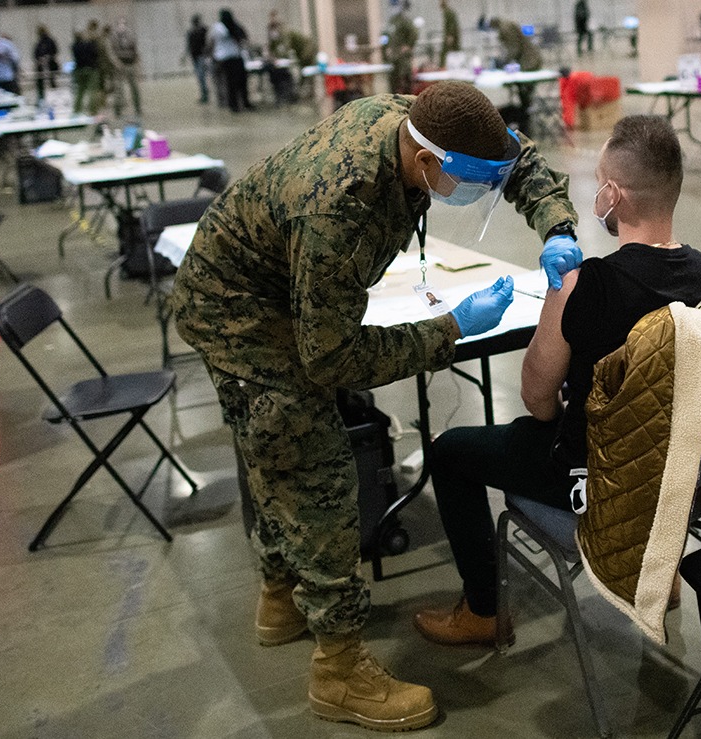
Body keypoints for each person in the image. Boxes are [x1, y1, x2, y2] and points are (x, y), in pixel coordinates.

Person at [170, 80, 581, 732]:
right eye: (465, 181)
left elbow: (511, 155)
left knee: (276, 454)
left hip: (274, 283)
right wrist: (448, 329)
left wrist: (555, 224)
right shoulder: (337, 209)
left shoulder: (420, 123)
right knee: (313, 470)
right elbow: (330, 359)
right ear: (424, 162)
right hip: (240, 312)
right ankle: (338, 669)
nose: (475, 192)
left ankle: (281, 599)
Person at [413, 115, 701, 647]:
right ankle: (664, 574)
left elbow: (539, 400)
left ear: (612, 195)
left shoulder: (585, 286)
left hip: (595, 480)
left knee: (450, 451)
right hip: (683, 477)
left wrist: (559, 311)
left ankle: (482, 611)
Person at [489, 18, 544, 134]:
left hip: (530, 62)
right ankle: (525, 127)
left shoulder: (505, 28)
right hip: (528, 61)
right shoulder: (506, 25)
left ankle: (526, 128)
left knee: (525, 96)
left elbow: (514, 49)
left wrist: (503, 62)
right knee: (523, 96)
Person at [211, 9, 252, 112]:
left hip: (237, 56)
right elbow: (225, 35)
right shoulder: (219, 28)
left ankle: (245, 102)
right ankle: (234, 105)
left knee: (242, 81)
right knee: (231, 83)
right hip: (226, 59)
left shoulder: (234, 26)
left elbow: (243, 36)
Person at [110, 18, 142, 117]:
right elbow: (112, 50)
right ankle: (118, 110)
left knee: (134, 88)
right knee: (119, 90)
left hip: (131, 64)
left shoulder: (131, 35)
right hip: (121, 64)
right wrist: (116, 61)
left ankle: (138, 109)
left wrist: (138, 63)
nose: (122, 25)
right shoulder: (114, 36)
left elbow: (135, 49)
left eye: (123, 23)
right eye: (120, 23)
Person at [388, 1, 418, 95]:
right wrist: (389, 47)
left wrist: (408, 46)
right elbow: (390, 35)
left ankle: (407, 100)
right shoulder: (393, 20)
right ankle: (394, 99)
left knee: (406, 78)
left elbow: (414, 33)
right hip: (394, 55)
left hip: (403, 56)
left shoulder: (405, 20)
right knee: (393, 79)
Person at [71, 28, 104, 114]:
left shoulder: (74, 46)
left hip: (79, 70)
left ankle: (77, 110)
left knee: (80, 92)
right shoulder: (89, 45)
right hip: (91, 69)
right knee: (92, 91)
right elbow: (96, 55)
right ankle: (93, 111)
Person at [187, 15, 211, 104]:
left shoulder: (202, 30)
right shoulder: (191, 32)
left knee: (202, 76)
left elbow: (206, 38)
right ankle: (204, 93)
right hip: (195, 56)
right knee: (199, 76)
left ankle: (205, 95)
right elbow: (189, 44)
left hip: (201, 56)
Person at [440, 0, 461, 67]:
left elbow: (451, 25)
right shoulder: (449, 12)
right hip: (454, 35)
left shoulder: (447, 12)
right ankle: (457, 65)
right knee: (456, 50)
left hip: (451, 35)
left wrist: (450, 35)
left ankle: (443, 66)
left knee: (445, 51)